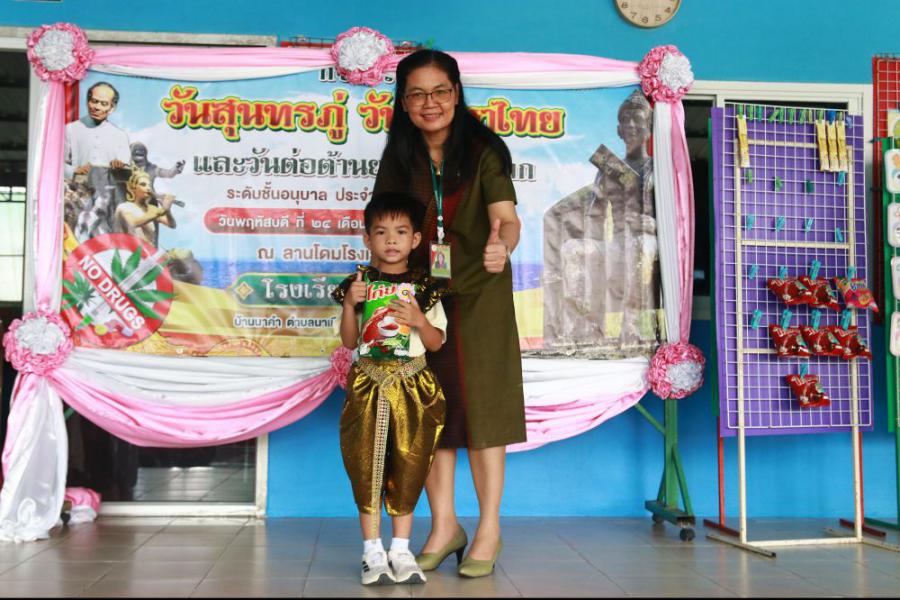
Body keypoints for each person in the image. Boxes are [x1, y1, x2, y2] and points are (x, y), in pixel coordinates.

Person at [373, 49, 525, 578]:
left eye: (440, 91)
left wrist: (502, 246)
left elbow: (507, 219)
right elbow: (387, 226)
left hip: (481, 294)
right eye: (417, 94)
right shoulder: (399, 157)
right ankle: (444, 526)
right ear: (403, 102)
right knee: (429, 411)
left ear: (456, 93)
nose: (429, 103)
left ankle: (489, 529)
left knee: (483, 410)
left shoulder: (484, 151)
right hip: (420, 297)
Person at [331, 192, 450, 586]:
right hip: (368, 384)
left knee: (409, 464)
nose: (391, 240)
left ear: (415, 239)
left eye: (400, 232)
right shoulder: (359, 284)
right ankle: (372, 552)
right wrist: (349, 305)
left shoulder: (425, 288)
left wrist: (418, 320)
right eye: (381, 232)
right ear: (368, 239)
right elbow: (349, 342)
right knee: (366, 466)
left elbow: (436, 343)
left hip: (414, 385)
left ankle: (400, 550)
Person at [64, 82, 132, 240]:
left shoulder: (119, 135)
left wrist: (119, 165)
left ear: (112, 107)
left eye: (103, 104)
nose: (97, 107)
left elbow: (126, 170)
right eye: (94, 101)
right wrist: (74, 170)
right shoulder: (71, 129)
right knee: (77, 235)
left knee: (106, 236)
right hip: (79, 193)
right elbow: (57, 164)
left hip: (108, 197)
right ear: (88, 101)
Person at [115, 168, 176, 246]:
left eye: (149, 185)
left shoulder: (151, 209)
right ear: (133, 187)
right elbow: (133, 223)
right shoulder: (124, 207)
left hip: (148, 251)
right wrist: (162, 210)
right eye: (143, 184)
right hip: (129, 251)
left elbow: (172, 225)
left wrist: (168, 211)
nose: (148, 188)